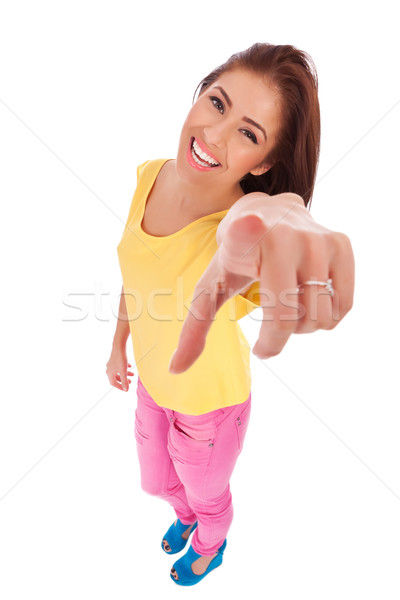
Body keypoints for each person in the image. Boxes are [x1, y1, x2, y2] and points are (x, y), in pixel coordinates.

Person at [106, 42, 355, 586]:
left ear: (263, 163)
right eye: (218, 103)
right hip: (152, 382)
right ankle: (189, 518)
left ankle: (211, 542)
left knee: (208, 494)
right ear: (201, 94)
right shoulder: (149, 176)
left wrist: (287, 223)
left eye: (248, 133)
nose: (214, 135)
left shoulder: (243, 238)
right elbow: (135, 271)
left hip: (210, 411)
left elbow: (295, 276)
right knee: (157, 485)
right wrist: (117, 344)